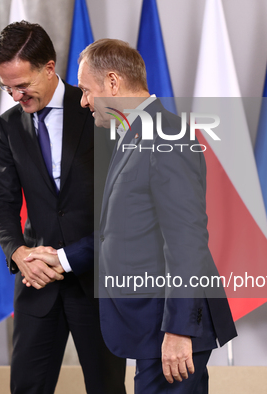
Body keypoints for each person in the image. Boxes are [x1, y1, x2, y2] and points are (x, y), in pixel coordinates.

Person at [31, 38, 237, 393]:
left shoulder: (166, 136)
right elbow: (123, 233)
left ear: (112, 83)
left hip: (169, 329)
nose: (83, 101)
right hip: (152, 328)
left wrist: (179, 330)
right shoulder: (134, 136)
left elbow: (186, 242)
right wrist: (61, 259)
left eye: (86, 90)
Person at [0, 23, 126, 394]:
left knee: (107, 387)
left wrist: (71, 257)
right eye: (6, 87)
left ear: (49, 68)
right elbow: (1, 199)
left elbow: (126, 201)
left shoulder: (98, 110)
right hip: (36, 280)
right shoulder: (9, 125)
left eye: (22, 85)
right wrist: (19, 254)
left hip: (96, 277)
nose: (15, 95)